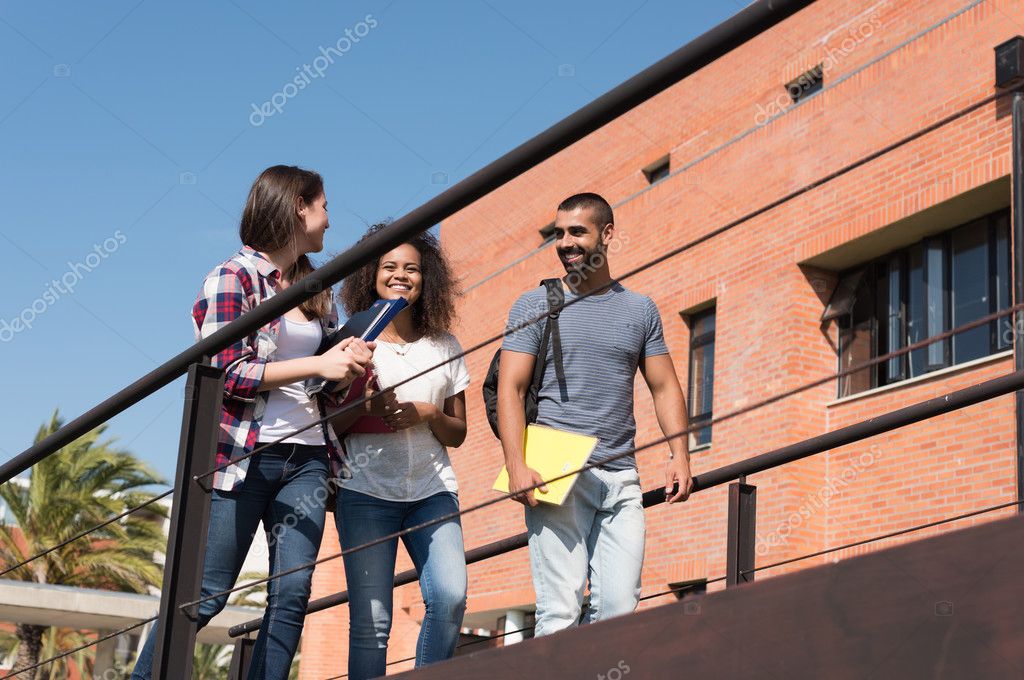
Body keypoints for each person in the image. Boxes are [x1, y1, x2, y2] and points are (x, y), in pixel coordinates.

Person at [131, 165, 373, 680]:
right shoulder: (232, 277)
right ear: (297, 206)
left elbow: (317, 384)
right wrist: (317, 364)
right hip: (244, 457)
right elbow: (224, 370)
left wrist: (343, 362)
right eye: (324, 205)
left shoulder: (314, 287)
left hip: (309, 456)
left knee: (291, 596)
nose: (330, 219)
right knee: (207, 595)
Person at [497, 192, 694, 636]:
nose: (565, 242)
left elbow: (664, 387)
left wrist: (680, 454)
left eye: (577, 232)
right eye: (559, 233)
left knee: (620, 611)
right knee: (560, 611)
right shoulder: (534, 304)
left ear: (606, 235)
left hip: (621, 472)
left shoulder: (640, 309)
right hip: (555, 467)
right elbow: (512, 387)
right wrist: (515, 464)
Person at [327, 224, 470, 679]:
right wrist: (365, 404)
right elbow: (329, 425)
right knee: (372, 624)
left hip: (432, 491)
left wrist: (428, 412)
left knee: (450, 597)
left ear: (427, 278)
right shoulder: (352, 340)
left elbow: (458, 433)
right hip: (366, 493)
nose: (400, 275)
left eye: (412, 268)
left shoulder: (444, 344)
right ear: (372, 275)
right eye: (389, 267)